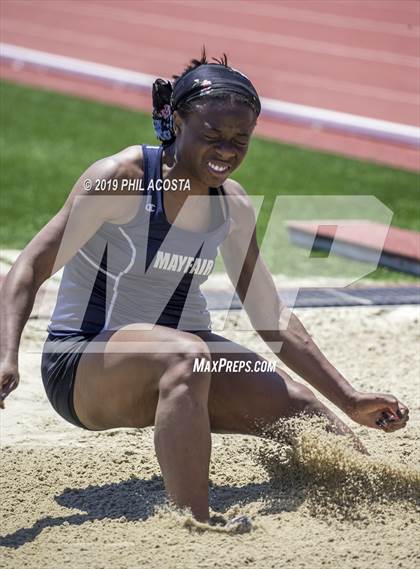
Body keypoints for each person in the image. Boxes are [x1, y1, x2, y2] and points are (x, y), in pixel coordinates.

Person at [0, 50, 409, 524]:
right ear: (176, 121)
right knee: (188, 355)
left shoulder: (232, 207)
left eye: (241, 139)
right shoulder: (119, 179)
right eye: (212, 136)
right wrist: (6, 353)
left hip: (183, 356)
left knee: (297, 406)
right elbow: (29, 266)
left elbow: (271, 317)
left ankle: (378, 492)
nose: (227, 151)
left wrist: (349, 397)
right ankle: (194, 518)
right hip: (84, 364)